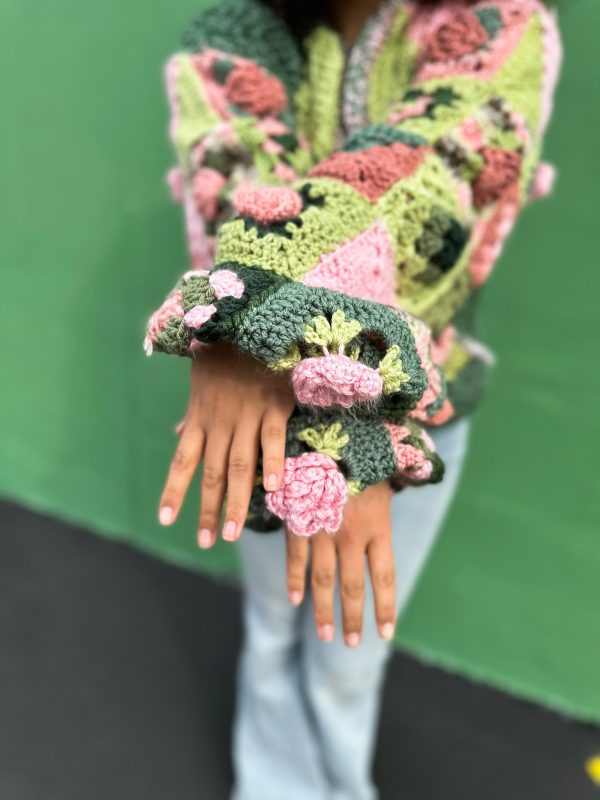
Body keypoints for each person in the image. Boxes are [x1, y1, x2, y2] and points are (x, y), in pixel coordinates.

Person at [147, 1, 562, 797]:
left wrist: (349, 422)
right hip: (255, 417)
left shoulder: (501, 24)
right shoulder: (236, 31)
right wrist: (250, 332)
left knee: (348, 654)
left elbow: (434, 179)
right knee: (272, 622)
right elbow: (232, 186)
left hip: (412, 427)